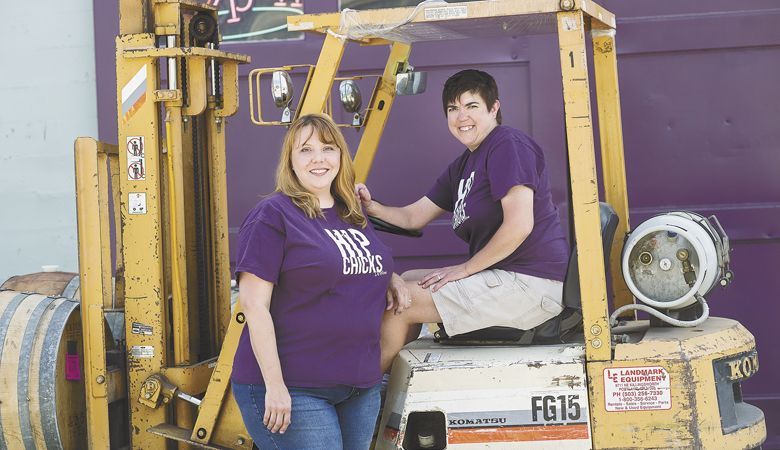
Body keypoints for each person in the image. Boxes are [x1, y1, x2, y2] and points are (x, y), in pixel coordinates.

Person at [356, 69, 570, 372]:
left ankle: (365, 392)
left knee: (398, 304)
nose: (461, 117)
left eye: (472, 106)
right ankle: (392, 381)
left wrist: (464, 269)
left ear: (494, 108)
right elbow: (414, 216)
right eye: (453, 109)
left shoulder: (507, 145)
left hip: (532, 287)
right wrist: (371, 206)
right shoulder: (465, 164)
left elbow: (519, 225)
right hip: (508, 279)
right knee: (406, 280)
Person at [231, 113, 409, 449]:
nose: (318, 159)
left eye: (328, 148)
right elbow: (254, 306)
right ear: (291, 161)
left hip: (360, 386)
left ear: (340, 157)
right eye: (306, 150)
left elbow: (348, 263)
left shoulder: (351, 212)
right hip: (295, 388)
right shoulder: (273, 215)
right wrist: (276, 386)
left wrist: (391, 278)